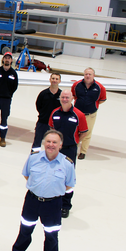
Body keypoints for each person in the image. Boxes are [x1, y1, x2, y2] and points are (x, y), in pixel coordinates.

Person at [4, 130, 76, 251]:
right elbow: (26, 175)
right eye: (48, 141)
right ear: (44, 142)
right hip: (32, 200)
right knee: (25, 229)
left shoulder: (67, 164)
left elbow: (69, 185)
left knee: (51, 236)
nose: (51, 145)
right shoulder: (34, 158)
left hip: (53, 204)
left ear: (60, 145)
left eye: (55, 142)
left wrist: (52, 192)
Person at [49, 90, 87, 218]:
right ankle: (53, 200)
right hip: (55, 149)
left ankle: (65, 206)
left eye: (67, 97)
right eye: (63, 97)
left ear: (72, 99)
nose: (65, 99)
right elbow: (51, 128)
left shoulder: (79, 115)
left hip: (70, 149)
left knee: (67, 178)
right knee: (53, 174)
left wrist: (75, 142)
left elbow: (84, 132)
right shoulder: (54, 113)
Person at [71, 67, 106, 160]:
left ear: (94, 75)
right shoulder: (76, 85)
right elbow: (74, 95)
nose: (88, 76)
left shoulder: (100, 87)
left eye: (90, 74)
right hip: (77, 114)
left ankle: (83, 152)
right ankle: (73, 148)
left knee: (87, 133)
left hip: (90, 115)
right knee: (75, 131)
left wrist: (92, 105)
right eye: (86, 74)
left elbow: (102, 99)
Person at [0, 51, 19, 147]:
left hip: (6, 99)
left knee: (4, 119)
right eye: (5, 58)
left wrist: (8, 94)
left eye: (9, 58)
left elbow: (15, 86)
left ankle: (2, 138)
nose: (7, 60)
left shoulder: (13, 73)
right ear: (3, 59)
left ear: (11, 60)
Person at [32, 73, 62, 151]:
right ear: (50, 80)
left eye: (57, 79)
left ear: (60, 81)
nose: (54, 80)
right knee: (37, 142)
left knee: (55, 143)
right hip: (43, 122)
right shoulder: (43, 94)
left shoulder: (61, 95)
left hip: (56, 124)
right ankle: (35, 156)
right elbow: (38, 106)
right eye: (53, 78)